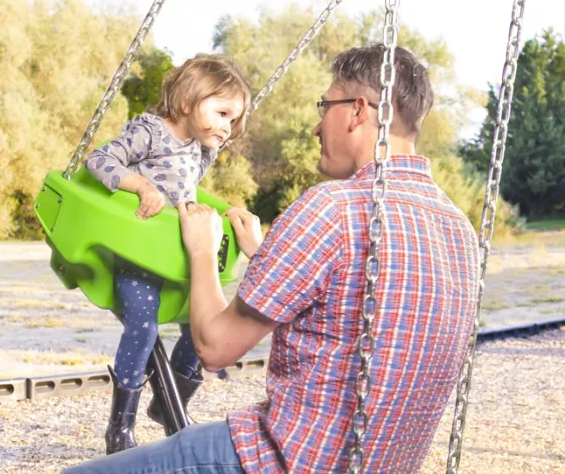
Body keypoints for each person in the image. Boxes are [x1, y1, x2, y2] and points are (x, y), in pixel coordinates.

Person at [64, 44, 480, 473]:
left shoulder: (332, 208)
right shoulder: (459, 232)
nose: (318, 128)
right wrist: (264, 256)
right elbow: (347, 312)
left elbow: (215, 347)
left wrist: (203, 252)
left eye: (326, 106)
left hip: (281, 459)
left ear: (357, 111)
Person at [83, 53, 251, 455]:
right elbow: (98, 160)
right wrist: (141, 185)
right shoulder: (151, 132)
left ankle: (170, 400)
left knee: (207, 322)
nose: (228, 127)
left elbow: (188, 193)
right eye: (222, 112)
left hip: (176, 257)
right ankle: (120, 426)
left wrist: (226, 212)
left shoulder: (200, 148)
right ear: (189, 99)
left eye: (234, 119)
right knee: (143, 324)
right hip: (139, 255)